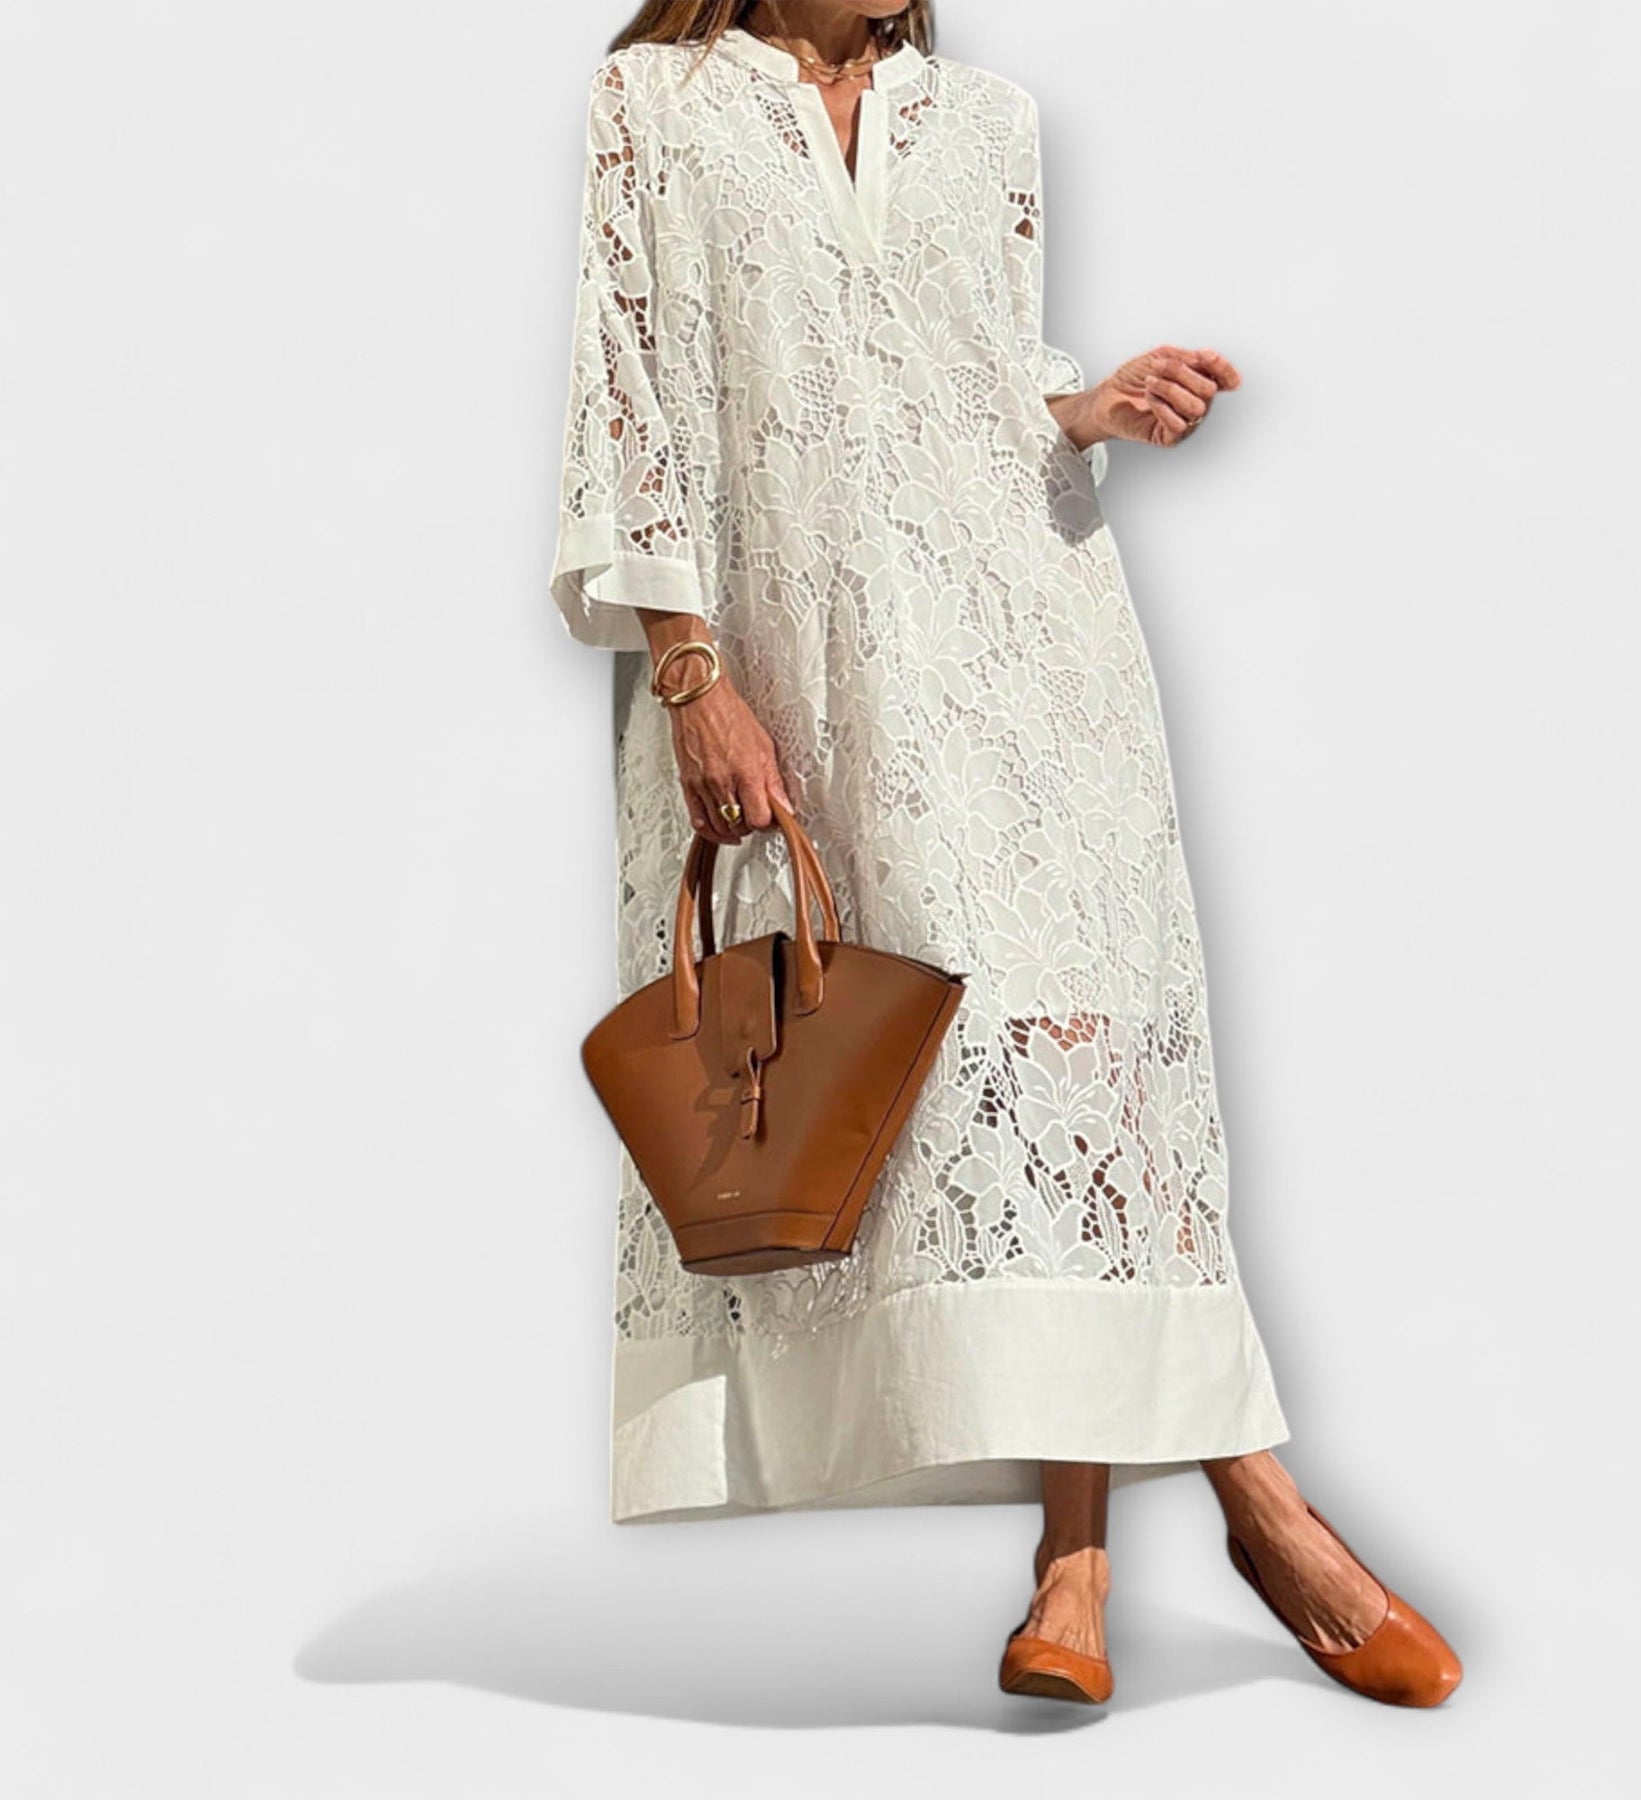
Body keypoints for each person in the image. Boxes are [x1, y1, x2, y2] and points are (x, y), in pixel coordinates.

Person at [547, 0, 1461, 1708]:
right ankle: (1254, 1507)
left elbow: (973, 376)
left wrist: (1083, 406)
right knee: (954, 1073)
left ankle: (1085, 1562)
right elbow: (629, 393)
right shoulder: (654, 104)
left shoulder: (986, 120)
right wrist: (689, 671)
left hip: (1031, 652)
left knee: (1075, 1060)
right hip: (806, 672)